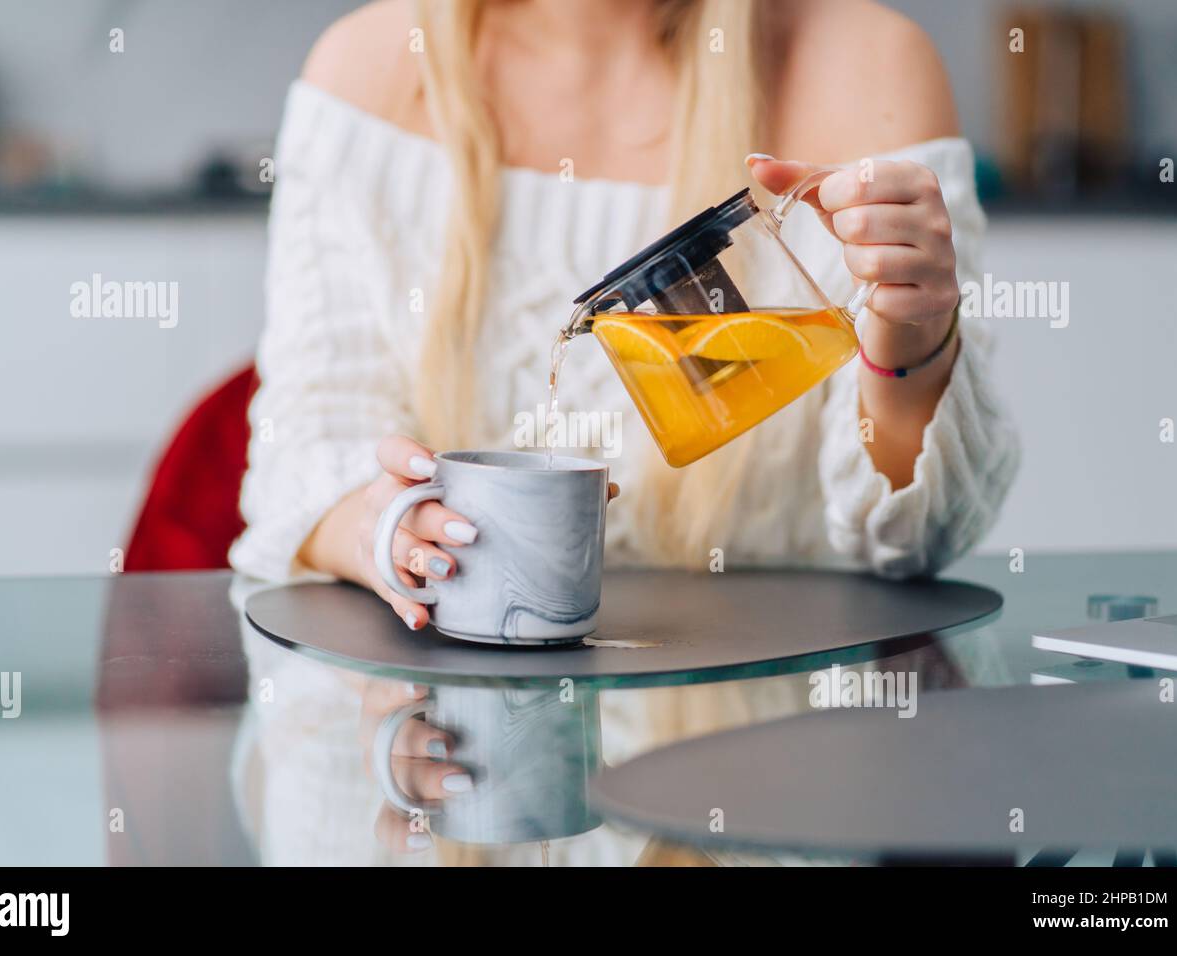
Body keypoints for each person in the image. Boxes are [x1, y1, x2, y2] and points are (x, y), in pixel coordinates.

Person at [229, 0, 1020, 852]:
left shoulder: (870, 70)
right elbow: (301, 455)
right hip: (440, 771)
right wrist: (392, 531)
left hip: (798, 787)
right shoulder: (367, 73)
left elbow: (916, 540)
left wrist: (911, 345)